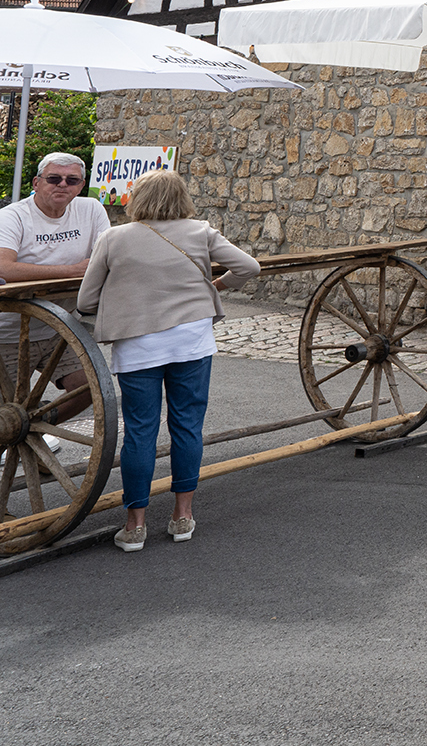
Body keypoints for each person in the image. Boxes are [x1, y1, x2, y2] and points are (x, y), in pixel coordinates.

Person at [77, 170, 259, 552]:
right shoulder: (200, 232)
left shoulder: (113, 238)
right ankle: (182, 517)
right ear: (182, 197)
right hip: (191, 341)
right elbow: (249, 268)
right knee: (188, 425)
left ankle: (135, 525)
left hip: (139, 345)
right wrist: (215, 287)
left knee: (141, 432)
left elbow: (85, 302)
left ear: (137, 199)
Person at [0, 152, 111, 428]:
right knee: (7, 411)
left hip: (57, 329)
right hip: (8, 332)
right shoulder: (13, 217)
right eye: (54, 178)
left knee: (91, 387)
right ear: (37, 183)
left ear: (81, 186)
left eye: (72, 180)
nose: (63, 185)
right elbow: (4, 268)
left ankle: (35, 428)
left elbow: (107, 258)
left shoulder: (91, 210)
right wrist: (72, 270)